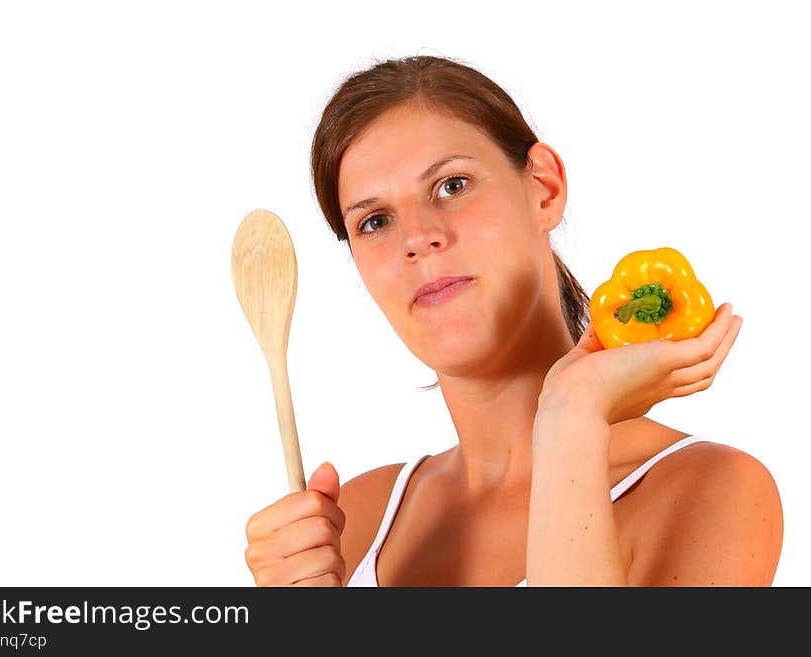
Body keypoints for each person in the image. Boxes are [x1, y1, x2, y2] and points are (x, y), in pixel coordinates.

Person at [243, 55, 784, 586]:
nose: (416, 238)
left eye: (451, 186)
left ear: (543, 188)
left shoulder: (711, 491)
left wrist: (571, 420)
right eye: (375, 221)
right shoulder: (348, 526)